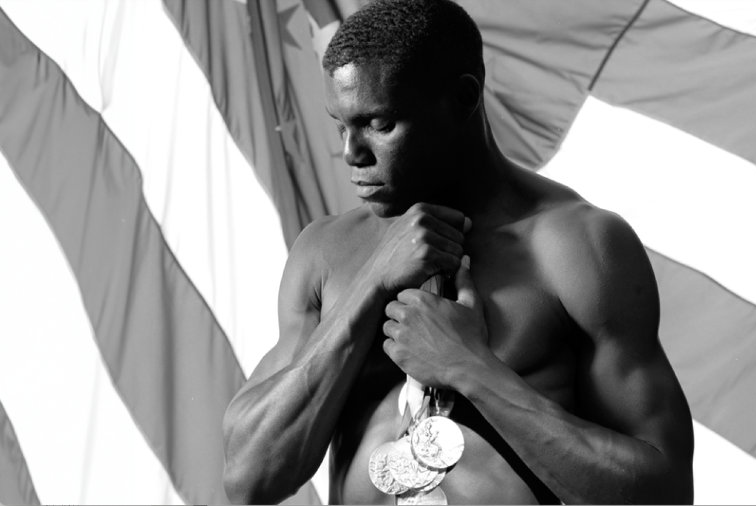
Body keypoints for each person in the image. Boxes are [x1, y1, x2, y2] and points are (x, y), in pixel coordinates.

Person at [222, 0, 694, 503]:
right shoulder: (325, 252)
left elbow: (663, 495)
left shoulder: (577, 247)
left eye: (379, 124)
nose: (352, 155)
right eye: (342, 126)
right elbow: (250, 478)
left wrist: (470, 369)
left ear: (463, 98)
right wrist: (370, 285)